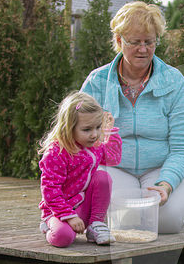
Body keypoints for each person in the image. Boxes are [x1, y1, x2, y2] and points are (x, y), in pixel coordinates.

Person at [81, 1, 184, 234]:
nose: (143, 49)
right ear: (119, 40)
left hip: (159, 168)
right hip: (114, 169)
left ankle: (177, 199)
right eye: (135, 42)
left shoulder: (175, 82)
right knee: (123, 219)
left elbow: (183, 148)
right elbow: (77, 139)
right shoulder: (97, 81)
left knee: (168, 222)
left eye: (149, 42)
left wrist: (165, 185)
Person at [38, 91, 122, 247]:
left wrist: (109, 131)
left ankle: (95, 225)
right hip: (58, 210)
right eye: (87, 129)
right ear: (69, 127)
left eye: (98, 127)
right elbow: (50, 190)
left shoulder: (93, 146)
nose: (95, 134)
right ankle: (48, 225)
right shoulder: (56, 153)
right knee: (63, 237)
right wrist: (68, 216)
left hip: (82, 206)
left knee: (103, 177)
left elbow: (113, 158)